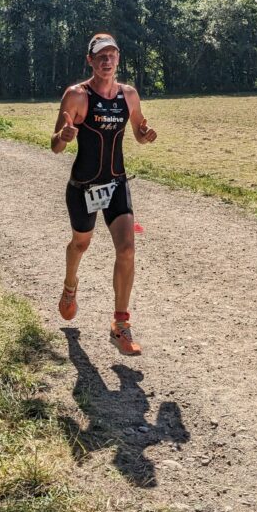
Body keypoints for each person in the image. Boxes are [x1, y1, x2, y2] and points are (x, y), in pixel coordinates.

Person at [51, 33, 157, 356]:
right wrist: (64, 136)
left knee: (127, 249)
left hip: (115, 184)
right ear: (90, 61)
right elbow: (55, 145)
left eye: (112, 55)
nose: (107, 60)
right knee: (81, 243)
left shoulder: (129, 96)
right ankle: (70, 287)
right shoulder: (77, 96)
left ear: (118, 59)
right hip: (83, 187)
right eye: (100, 56)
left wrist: (145, 135)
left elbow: (138, 132)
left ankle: (120, 325)